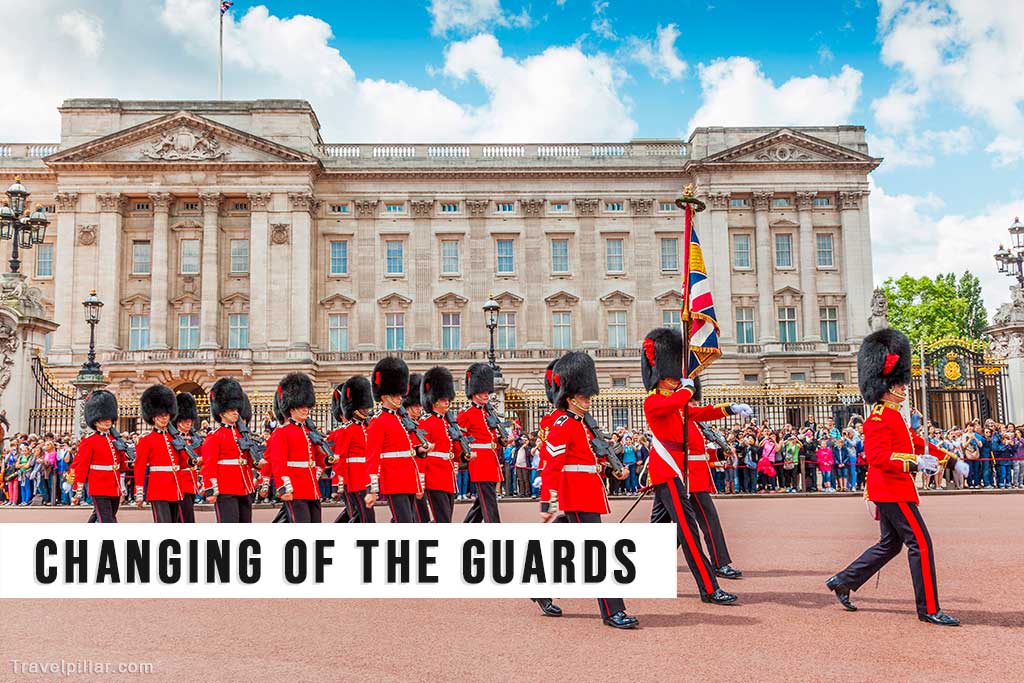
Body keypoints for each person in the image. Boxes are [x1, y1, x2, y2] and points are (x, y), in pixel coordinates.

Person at [826, 328, 968, 626]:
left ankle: (843, 580)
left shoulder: (893, 415)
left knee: (891, 544)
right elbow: (878, 458)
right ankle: (928, 608)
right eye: (899, 384)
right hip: (890, 489)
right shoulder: (877, 417)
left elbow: (915, 442)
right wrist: (916, 464)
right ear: (886, 387)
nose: (903, 388)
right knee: (921, 543)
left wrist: (950, 459)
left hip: (895, 489)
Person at [532, 352, 638, 629]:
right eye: (584, 396)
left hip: (588, 492)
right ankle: (613, 610)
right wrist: (549, 504)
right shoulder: (562, 425)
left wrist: (612, 470)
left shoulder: (583, 426)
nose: (588, 400)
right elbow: (552, 467)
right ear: (570, 397)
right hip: (576, 496)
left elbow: (588, 461)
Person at [641, 327, 745, 605]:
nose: (678, 379)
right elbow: (679, 401)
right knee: (688, 531)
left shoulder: (676, 401)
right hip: (668, 471)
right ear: (663, 376)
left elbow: (698, 412)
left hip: (677, 472)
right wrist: (687, 387)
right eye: (674, 374)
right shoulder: (653, 401)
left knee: (661, 529)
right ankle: (709, 589)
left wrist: (728, 408)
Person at [364, 357, 423, 523]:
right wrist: (372, 489)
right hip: (394, 481)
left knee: (407, 521)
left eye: (400, 394)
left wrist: (420, 451)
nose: (399, 398)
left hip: (408, 479)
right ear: (384, 396)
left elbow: (409, 452)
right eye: (395, 394)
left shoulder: (402, 419)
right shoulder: (377, 421)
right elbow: (372, 457)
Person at [268, 373, 330, 523]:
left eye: (306, 406)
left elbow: (317, 456)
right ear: (291, 408)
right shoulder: (281, 432)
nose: (305, 409)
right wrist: (284, 487)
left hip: (312, 487)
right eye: (301, 406)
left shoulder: (309, 432)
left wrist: (327, 459)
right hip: (295, 487)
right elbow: (278, 463)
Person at [201, 378, 257, 523]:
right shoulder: (214, 436)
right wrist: (211, 489)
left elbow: (248, 458)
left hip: (245, 486)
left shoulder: (243, 434)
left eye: (236, 409)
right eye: (231, 410)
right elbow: (209, 465)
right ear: (221, 413)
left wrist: (258, 463)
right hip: (226, 488)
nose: (235, 413)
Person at [71, 390, 129, 522]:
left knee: (104, 516)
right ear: (95, 422)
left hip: (114, 485)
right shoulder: (89, 441)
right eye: (103, 419)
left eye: (109, 419)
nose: (107, 422)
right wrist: (78, 489)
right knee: (107, 520)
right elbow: (82, 466)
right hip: (99, 485)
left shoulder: (116, 439)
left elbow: (122, 462)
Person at [459, 362, 505, 523]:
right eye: (483, 391)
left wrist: (502, 440)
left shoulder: (488, 413)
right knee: (489, 503)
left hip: (491, 461)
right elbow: (460, 439)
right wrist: (465, 455)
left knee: (481, 503)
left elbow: (492, 439)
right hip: (479, 462)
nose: (486, 394)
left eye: (487, 391)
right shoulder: (466, 414)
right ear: (474, 392)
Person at [133, 385, 184, 523]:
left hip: (176, 487)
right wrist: (139, 492)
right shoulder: (146, 440)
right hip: (158, 488)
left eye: (166, 415)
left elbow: (183, 462)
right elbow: (140, 466)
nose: (164, 418)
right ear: (153, 417)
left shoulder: (175, 438)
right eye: (160, 415)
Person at [329, 375, 376, 523]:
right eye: (363, 407)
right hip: (353, 480)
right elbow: (340, 458)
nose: (366, 410)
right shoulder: (346, 430)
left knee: (360, 517)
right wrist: (338, 483)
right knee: (363, 517)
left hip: (366, 478)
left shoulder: (367, 428)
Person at [418, 366, 460, 522]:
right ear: (433, 400)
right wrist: (421, 479)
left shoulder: (448, 423)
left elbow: (453, 450)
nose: (447, 401)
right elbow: (421, 454)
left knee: (445, 519)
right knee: (442, 519)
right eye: (443, 398)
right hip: (434, 476)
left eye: (447, 398)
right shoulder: (425, 422)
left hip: (448, 476)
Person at [403, 373, 432, 522]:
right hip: (408, 475)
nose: (419, 408)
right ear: (408, 406)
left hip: (418, 474)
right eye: (416, 405)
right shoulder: (404, 425)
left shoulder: (418, 424)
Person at [174, 392, 202, 523]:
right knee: (186, 518)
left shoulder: (193, 439)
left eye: (190, 420)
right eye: (185, 421)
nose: (188, 423)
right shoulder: (174, 439)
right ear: (178, 422)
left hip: (192, 482)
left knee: (184, 517)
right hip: (179, 483)